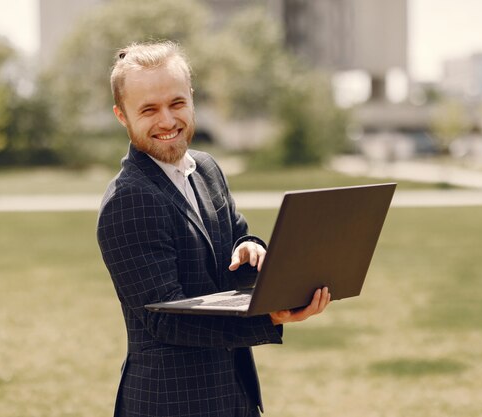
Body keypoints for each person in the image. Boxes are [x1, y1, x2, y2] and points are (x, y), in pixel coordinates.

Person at [97, 40, 331, 417]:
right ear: (122, 116)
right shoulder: (129, 201)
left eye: (176, 103)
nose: (167, 121)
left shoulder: (206, 169)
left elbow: (238, 234)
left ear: (191, 98)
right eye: (148, 110)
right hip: (170, 404)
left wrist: (251, 248)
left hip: (235, 394)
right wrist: (268, 318)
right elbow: (165, 319)